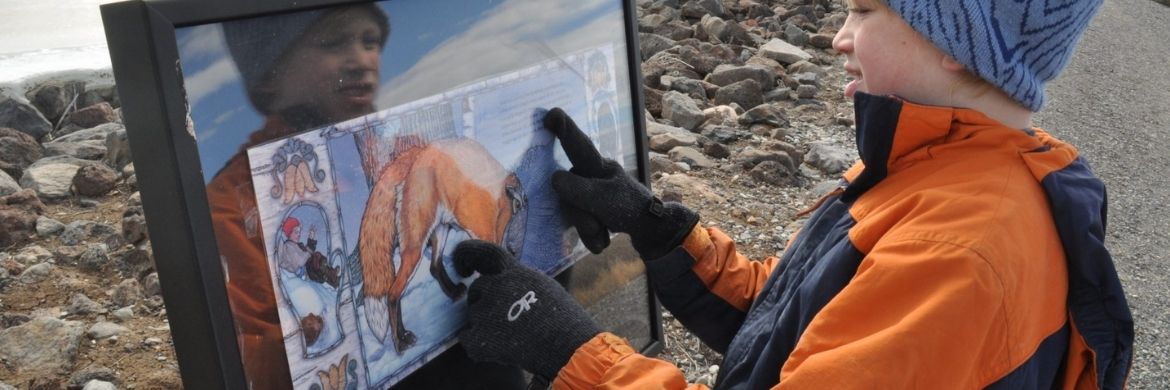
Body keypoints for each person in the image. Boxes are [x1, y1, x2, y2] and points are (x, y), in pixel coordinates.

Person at [453, 0, 1135, 388]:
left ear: (955, 44)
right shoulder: (945, 172)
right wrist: (660, 230)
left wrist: (573, 353)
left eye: (864, 10)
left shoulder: (955, 250)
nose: (839, 37)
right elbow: (800, 324)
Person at [210, 4, 523, 389]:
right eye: (331, 42)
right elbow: (263, 370)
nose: (361, 59)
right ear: (269, 78)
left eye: (369, 41)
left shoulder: (408, 150)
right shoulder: (232, 208)